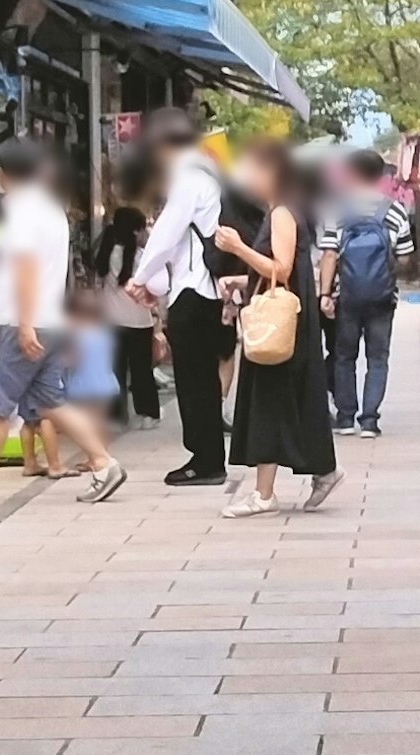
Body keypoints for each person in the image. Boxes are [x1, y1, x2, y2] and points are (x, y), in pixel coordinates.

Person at [0, 137, 124, 506]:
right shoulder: (51, 208)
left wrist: (24, 323)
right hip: (53, 321)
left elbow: (24, 268)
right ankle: (105, 464)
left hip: (22, 323)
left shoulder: (20, 211)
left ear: (1, 173)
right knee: (50, 402)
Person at [214, 137, 339, 517]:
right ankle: (322, 470)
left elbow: (281, 269)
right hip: (290, 322)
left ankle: (265, 493)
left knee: (270, 398)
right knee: (284, 400)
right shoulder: (282, 212)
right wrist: (241, 281)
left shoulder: (283, 213)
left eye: (255, 168)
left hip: (282, 326)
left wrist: (237, 249)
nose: (248, 176)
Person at [127, 119, 238, 486]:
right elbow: (175, 246)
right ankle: (205, 457)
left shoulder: (191, 180)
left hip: (196, 294)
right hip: (200, 293)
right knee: (198, 379)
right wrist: (152, 285)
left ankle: (205, 461)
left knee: (195, 380)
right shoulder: (209, 177)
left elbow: (166, 236)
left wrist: (140, 279)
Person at [316, 149, 407, 439]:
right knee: (377, 357)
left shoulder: (336, 207)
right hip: (382, 297)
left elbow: (329, 254)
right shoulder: (395, 209)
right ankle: (369, 421)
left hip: (347, 296)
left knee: (344, 355)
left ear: (352, 173)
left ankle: (345, 418)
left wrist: (325, 294)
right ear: (380, 176)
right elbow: (405, 256)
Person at [92, 145, 163, 429]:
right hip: (139, 322)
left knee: (115, 370)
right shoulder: (140, 258)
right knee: (142, 370)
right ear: (136, 230)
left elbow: (97, 287)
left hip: (111, 320)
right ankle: (149, 414)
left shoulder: (104, 253)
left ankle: (117, 415)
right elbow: (156, 288)